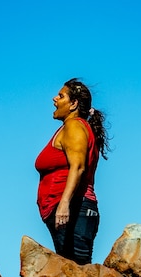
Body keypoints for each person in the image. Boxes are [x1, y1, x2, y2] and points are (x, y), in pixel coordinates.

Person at [35, 78, 110, 265]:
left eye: (61, 96)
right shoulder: (69, 128)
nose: (54, 99)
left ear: (73, 104)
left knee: (77, 275)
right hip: (70, 210)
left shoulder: (74, 126)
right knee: (72, 273)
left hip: (75, 209)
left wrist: (64, 204)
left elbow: (78, 167)